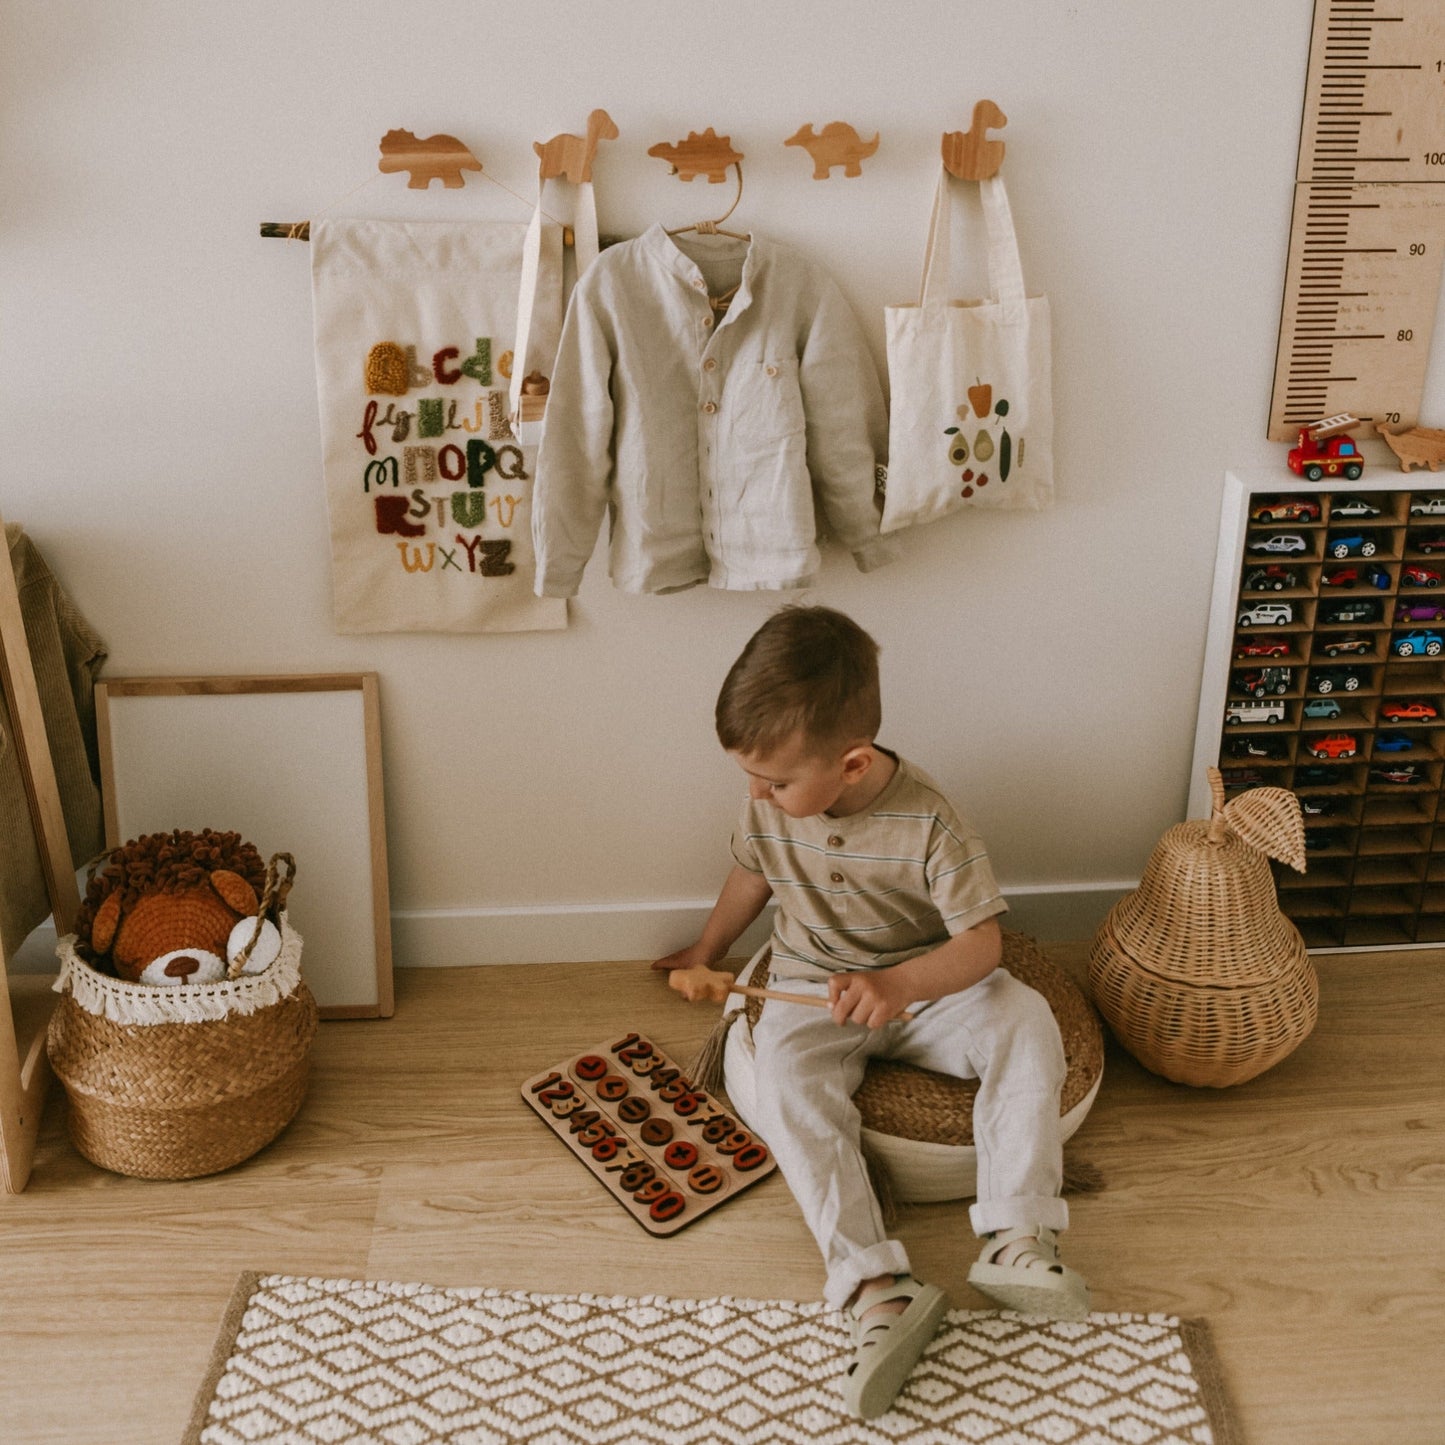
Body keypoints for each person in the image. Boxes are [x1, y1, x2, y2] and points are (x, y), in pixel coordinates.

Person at [655, 605, 1088, 1420]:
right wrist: (704, 950)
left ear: (851, 764)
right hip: (812, 984)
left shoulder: (932, 822)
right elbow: (750, 875)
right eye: (749, 775)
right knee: (784, 1079)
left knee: (1027, 1020)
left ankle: (1016, 1233)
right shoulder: (764, 805)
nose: (755, 792)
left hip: (931, 985)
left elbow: (982, 945)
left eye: (775, 781)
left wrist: (902, 985)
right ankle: (877, 1284)